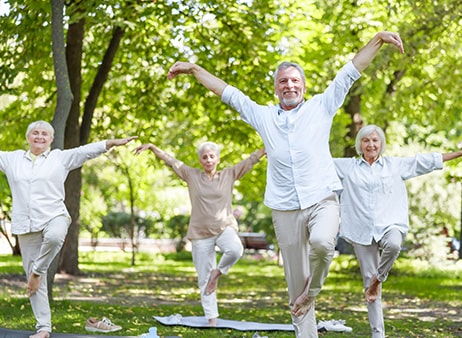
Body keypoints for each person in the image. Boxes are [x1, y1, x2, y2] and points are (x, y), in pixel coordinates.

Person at [167, 31, 404, 337]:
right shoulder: (263, 116)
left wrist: (379, 40)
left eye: (294, 81)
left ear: (303, 86)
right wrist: (193, 68)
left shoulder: (322, 106)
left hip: (322, 199)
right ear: (276, 89)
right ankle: (305, 319)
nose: (289, 85)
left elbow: (351, 70)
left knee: (321, 243)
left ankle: (313, 292)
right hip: (284, 208)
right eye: (283, 82)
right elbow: (226, 91)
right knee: (296, 287)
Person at [333, 124, 462, 338]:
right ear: (359, 144)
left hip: (390, 224)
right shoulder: (347, 167)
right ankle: (378, 333)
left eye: (375, 140)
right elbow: (315, 164)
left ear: (381, 144)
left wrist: (459, 153)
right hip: (361, 230)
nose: (371, 144)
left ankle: (379, 279)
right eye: (366, 140)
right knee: (368, 282)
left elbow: (426, 161)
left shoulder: (395, 165)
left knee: (394, 245)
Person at [0, 120, 137, 338]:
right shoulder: (12, 159)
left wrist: (111, 143)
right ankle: (43, 328)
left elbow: (86, 151)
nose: (39, 136)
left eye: (45, 134)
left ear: (51, 140)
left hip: (55, 216)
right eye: (35, 133)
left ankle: (37, 271)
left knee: (54, 239)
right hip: (26, 225)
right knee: (36, 285)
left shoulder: (59, 158)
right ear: (28, 137)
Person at [134, 142, 265, 326]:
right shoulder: (191, 175)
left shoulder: (228, 174)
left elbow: (250, 161)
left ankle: (217, 273)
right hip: (200, 233)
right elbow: (171, 161)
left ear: (218, 158)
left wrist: (265, 148)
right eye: (205, 157)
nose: (209, 159)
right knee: (203, 277)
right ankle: (212, 319)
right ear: (200, 160)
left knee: (235, 250)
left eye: (212, 156)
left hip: (224, 228)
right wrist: (152, 148)